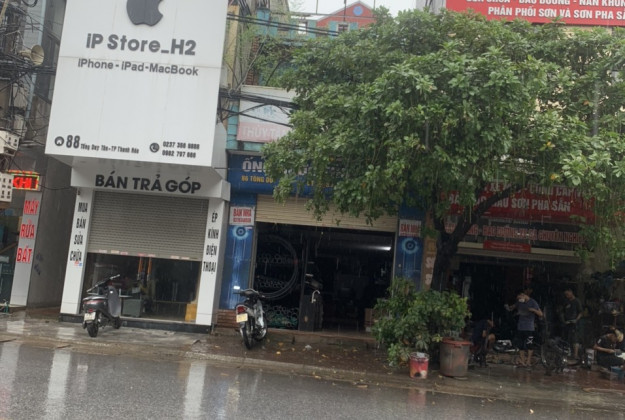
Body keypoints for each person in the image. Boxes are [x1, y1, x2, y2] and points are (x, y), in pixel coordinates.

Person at [506, 290, 543, 368]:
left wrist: (533, 310)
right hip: (520, 327)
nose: (519, 300)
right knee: (520, 345)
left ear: (523, 295)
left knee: (529, 344)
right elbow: (512, 307)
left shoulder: (533, 302)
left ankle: (528, 361)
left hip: (529, 327)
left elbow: (541, 314)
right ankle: (522, 361)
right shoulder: (520, 302)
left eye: (520, 298)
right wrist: (509, 307)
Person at [563, 288, 583, 360]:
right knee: (568, 339)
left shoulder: (577, 301)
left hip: (575, 324)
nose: (567, 296)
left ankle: (575, 355)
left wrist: (576, 320)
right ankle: (570, 354)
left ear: (571, 292)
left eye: (567, 294)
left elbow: (581, 313)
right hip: (568, 323)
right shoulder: (567, 302)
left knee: (575, 339)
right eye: (566, 295)